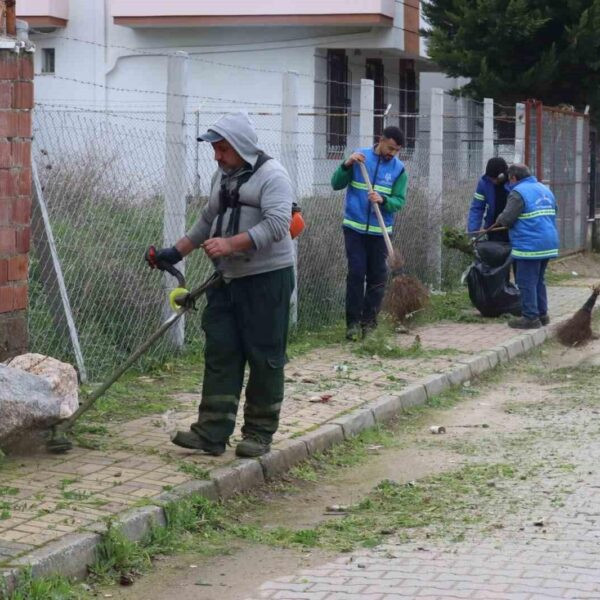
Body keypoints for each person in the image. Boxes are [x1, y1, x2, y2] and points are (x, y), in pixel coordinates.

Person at [146, 112, 295, 458]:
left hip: (266, 280)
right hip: (226, 279)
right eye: (215, 149)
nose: (217, 156)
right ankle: (211, 433)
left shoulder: (273, 177)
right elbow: (208, 219)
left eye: (223, 149)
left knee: (264, 357)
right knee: (222, 352)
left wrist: (231, 244)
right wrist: (175, 251)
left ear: (241, 147)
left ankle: (258, 433)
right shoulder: (223, 176)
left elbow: (278, 224)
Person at [331, 126, 408, 341]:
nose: (392, 153)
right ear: (380, 140)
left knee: (378, 278)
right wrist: (347, 164)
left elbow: (399, 201)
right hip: (354, 228)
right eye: (390, 148)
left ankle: (369, 325)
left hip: (380, 232)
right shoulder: (360, 158)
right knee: (356, 273)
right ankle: (353, 325)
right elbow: (336, 184)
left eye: (396, 150)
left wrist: (383, 201)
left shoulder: (399, 169)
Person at [491, 163, 559, 329]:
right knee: (538, 280)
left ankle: (530, 318)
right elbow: (554, 210)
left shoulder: (518, 192)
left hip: (530, 244)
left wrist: (497, 220)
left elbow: (507, 219)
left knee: (525, 281)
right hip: (548, 242)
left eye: (510, 180)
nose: (509, 183)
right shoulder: (544, 189)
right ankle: (542, 315)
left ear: (514, 178)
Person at [467, 157, 510, 243]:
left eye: (494, 178)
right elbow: (477, 208)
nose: (492, 180)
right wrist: (473, 232)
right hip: (492, 228)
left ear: (502, 175)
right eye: (490, 178)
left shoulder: (513, 183)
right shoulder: (484, 183)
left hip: (512, 229)